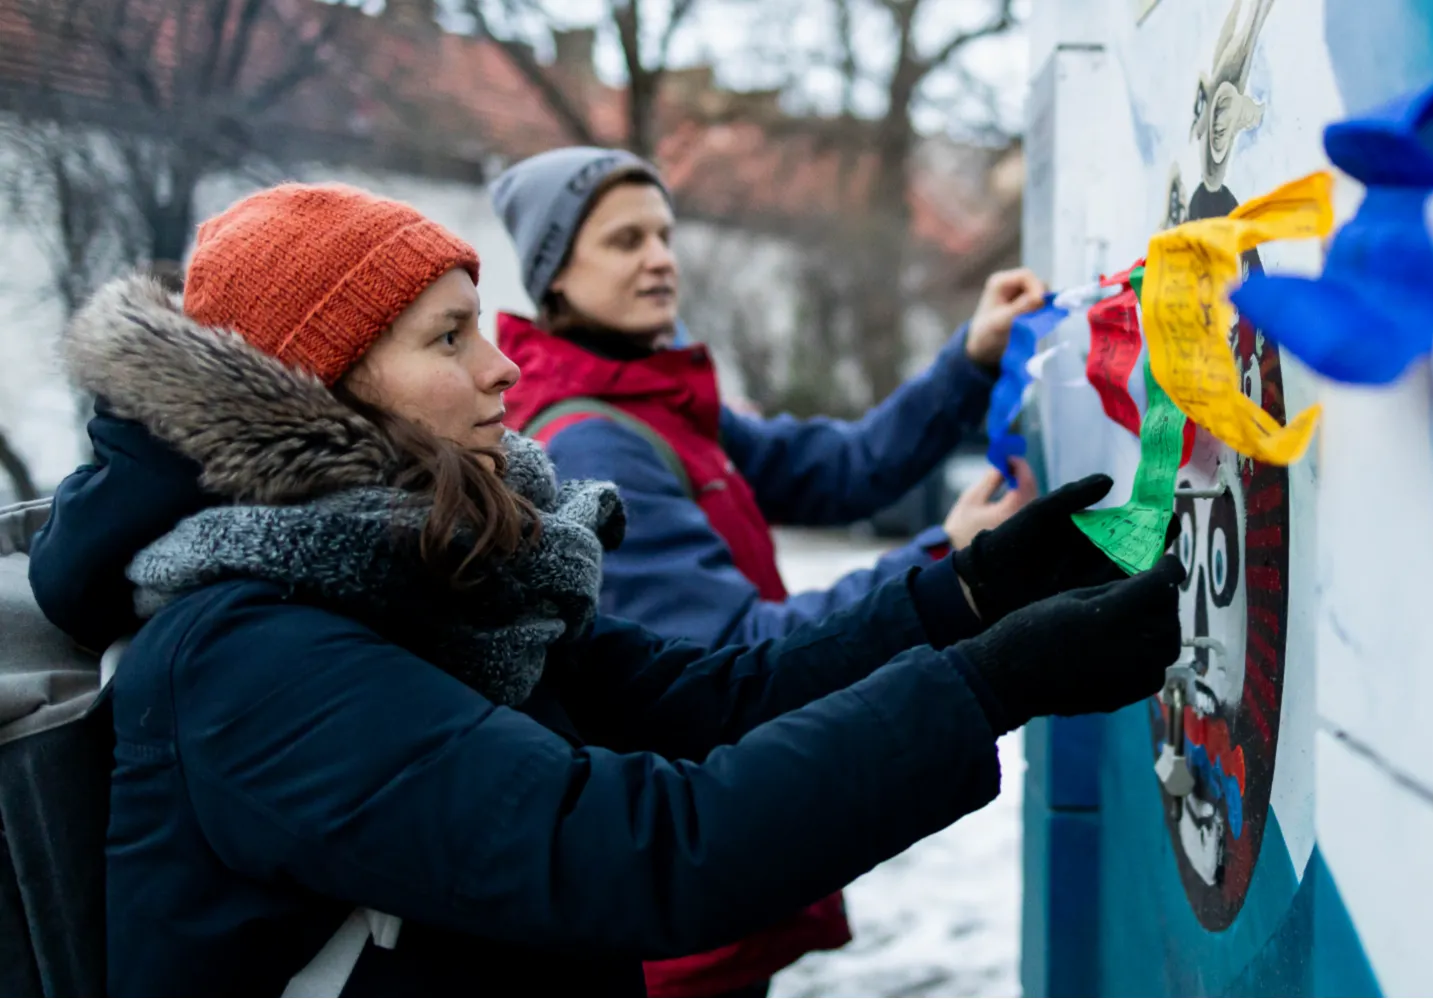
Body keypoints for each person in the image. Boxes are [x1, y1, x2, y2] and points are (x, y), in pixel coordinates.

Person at [27, 184, 1185, 998]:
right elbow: (640, 851)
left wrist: (970, 595)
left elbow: (710, 695)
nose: (502, 367)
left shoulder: (435, 572)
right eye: (447, 339)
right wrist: (992, 683)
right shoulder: (252, 659)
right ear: (322, 393)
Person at [489, 146, 1045, 997]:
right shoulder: (595, 440)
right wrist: (949, 555)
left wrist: (968, 361)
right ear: (553, 276)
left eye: (665, 233)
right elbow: (734, 652)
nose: (660, 257)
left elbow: (840, 468)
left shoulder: (659, 401)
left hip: (715, 877)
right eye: (623, 239)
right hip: (684, 903)